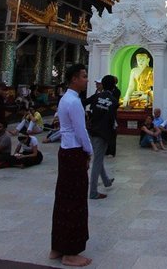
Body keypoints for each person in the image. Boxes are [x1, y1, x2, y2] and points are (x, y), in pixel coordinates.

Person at [50, 63, 94, 267]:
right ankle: (70, 252)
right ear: (74, 79)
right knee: (75, 202)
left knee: (63, 198)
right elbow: (81, 130)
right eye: (84, 76)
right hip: (75, 152)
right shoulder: (74, 102)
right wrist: (89, 151)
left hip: (65, 151)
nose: (86, 79)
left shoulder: (65, 99)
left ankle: (57, 246)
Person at [87, 75, 117, 199]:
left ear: (102, 85)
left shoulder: (97, 96)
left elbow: (83, 102)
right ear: (114, 86)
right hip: (103, 133)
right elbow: (111, 120)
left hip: (93, 130)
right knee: (97, 161)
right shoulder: (114, 101)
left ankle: (106, 181)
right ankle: (93, 191)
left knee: (98, 158)